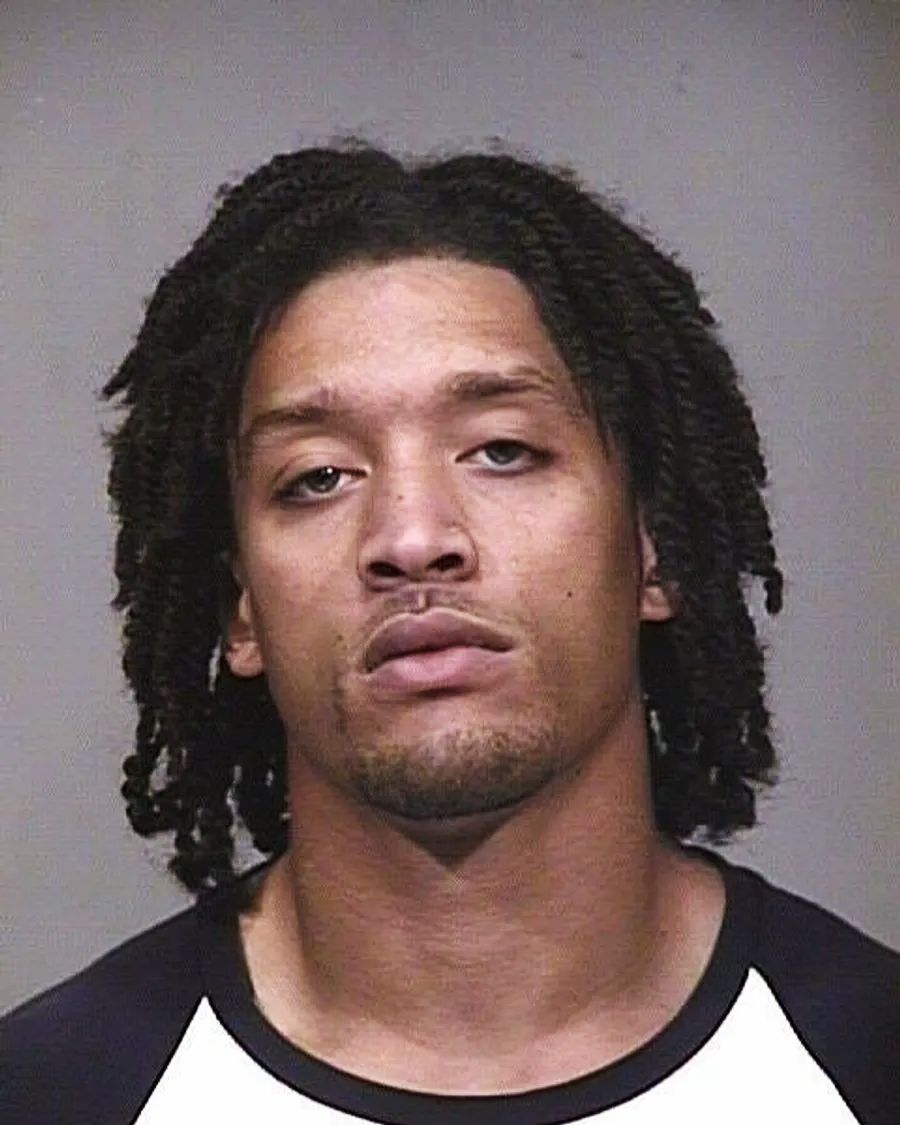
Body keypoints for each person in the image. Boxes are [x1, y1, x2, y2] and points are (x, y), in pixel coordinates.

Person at [2, 142, 897, 1124]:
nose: (412, 537)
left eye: (502, 450)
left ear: (656, 549)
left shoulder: (867, 1059)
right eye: (317, 477)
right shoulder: (58, 1092)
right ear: (239, 605)